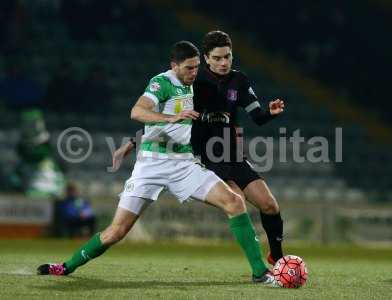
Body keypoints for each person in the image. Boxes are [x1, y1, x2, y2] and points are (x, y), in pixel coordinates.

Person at [37, 41, 277, 286]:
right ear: (174, 66)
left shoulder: (198, 85)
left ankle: (260, 272)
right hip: (152, 164)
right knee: (116, 232)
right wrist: (168, 120)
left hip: (184, 162)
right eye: (188, 68)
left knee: (234, 202)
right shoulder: (161, 83)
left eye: (196, 68)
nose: (194, 73)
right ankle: (65, 267)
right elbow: (137, 111)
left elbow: (216, 113)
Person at [191, 31, 285, 265]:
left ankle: (277, 256)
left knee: (270, 205)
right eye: (218, 58)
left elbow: (258, 117)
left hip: (234, 155)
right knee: (237, 202)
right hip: (210, 157)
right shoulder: (194, 81)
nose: (224, 63)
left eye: (228, 57)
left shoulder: (239, 81)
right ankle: (257, 266)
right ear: (206, 58)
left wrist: (270, 113)